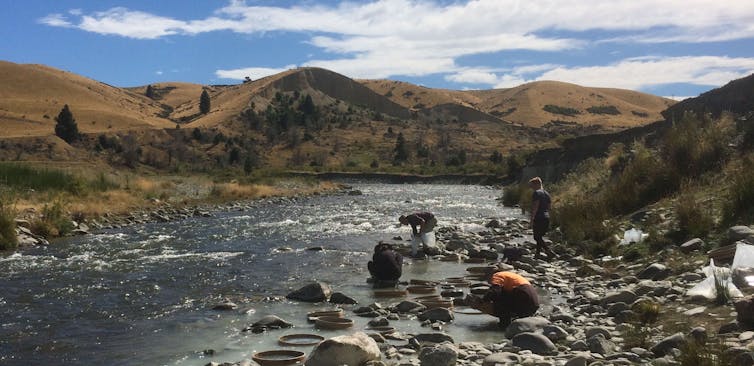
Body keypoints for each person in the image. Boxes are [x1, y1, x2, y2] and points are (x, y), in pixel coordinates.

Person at [469, 271, 539, 328]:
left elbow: (495, 291)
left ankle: (504, 325)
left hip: (524, 298)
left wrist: (483, 301)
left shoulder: (497, 276)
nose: (489, 283)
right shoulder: (508, 276)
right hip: (532, 305)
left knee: (498, 301)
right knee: (502, 297)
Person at [529, 177, 556, 260]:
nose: (531, 187)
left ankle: (548, 251)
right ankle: (537, 254)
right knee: (539, 236)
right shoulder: (547, 194)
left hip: (539, 217)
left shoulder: (536, 193)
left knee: (536, 237)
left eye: (532, 185)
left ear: (537, 184)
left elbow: (535, 207)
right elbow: (549, 208)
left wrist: (532, 219)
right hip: (546, 217)